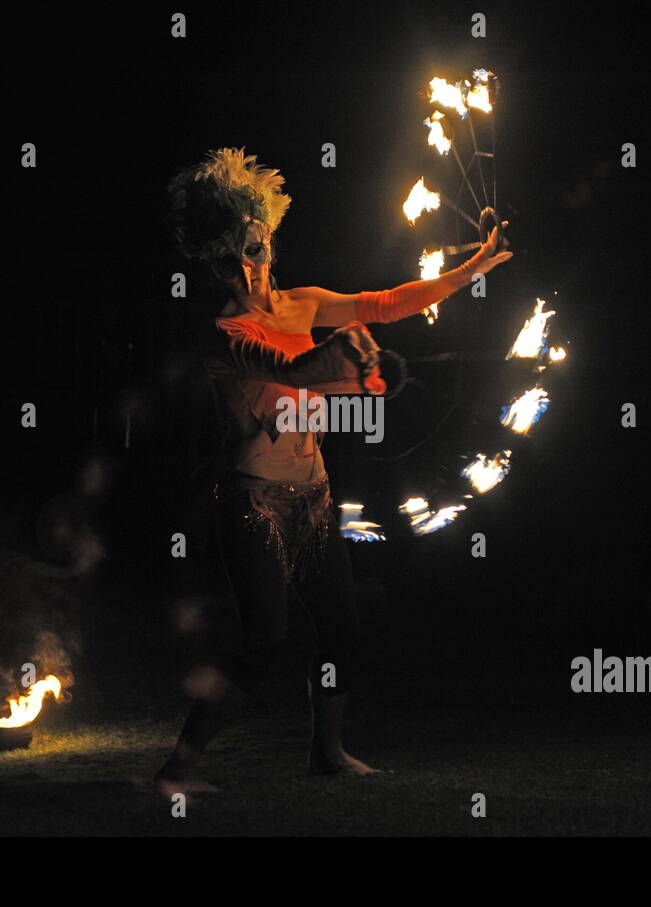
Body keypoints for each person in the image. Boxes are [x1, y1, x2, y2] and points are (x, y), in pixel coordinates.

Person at [156, 147, 511, 792]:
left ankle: (327, 753)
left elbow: (384, 302)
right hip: (251, 502)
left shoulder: (302, 304)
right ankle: (178, 769)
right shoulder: (224, 331)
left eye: (257, 249)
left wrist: (469, 271)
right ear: (215, 263)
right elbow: (287, 372)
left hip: (314, 498)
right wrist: (342, 360)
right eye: (235, 256)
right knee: (265, 641)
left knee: (342, 632)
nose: (250, 264)